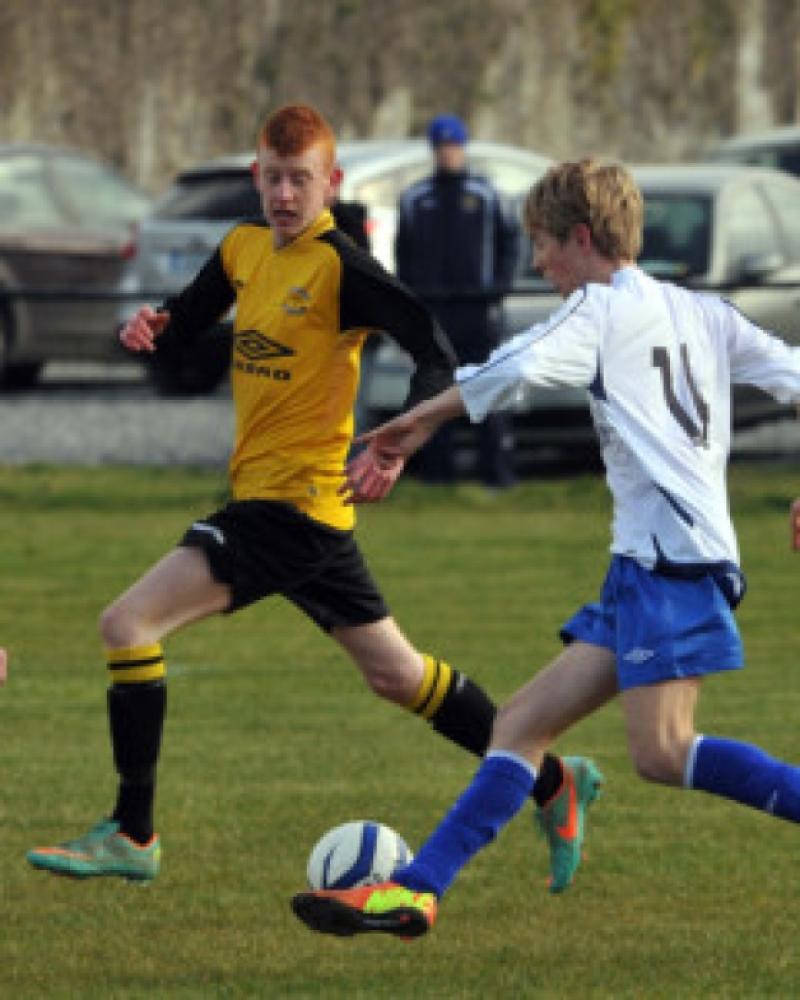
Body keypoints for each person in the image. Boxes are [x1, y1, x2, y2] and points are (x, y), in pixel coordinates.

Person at [26, 105, 585, 883]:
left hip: (285, 513)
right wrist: (155, 327)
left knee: (127, 624)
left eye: (301, 179)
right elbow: (191, 318)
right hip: (303, 519)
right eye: (273, 177)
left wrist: (403, 436)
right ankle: (554, 779)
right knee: (397, 677)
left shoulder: (343, 268)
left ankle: (134, 833)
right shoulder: (244, 247)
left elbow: (435, 349)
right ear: (257, 176)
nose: (285, 194)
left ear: (333, 183)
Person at [291, 157, 800, 940]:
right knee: (521, 724)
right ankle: (416, 890)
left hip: (671, 567)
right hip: (650, 568)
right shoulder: (704, 312)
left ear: (583, 238)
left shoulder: (600, 308)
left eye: (542, 245)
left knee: (662, 751)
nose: (537, 264)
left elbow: (518, 365)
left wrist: (418, 422)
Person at [394, 113, 519, 488]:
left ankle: (497, 476)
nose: (448, 154)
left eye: (454, 147)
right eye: (442, 147)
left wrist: (498, 285)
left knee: (488, 390)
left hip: (478, 308)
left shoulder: (485, 194)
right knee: (435, 393)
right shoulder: (415, 198)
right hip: (436, 310)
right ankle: (438, 478)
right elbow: (405, 253)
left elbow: (508, 243)